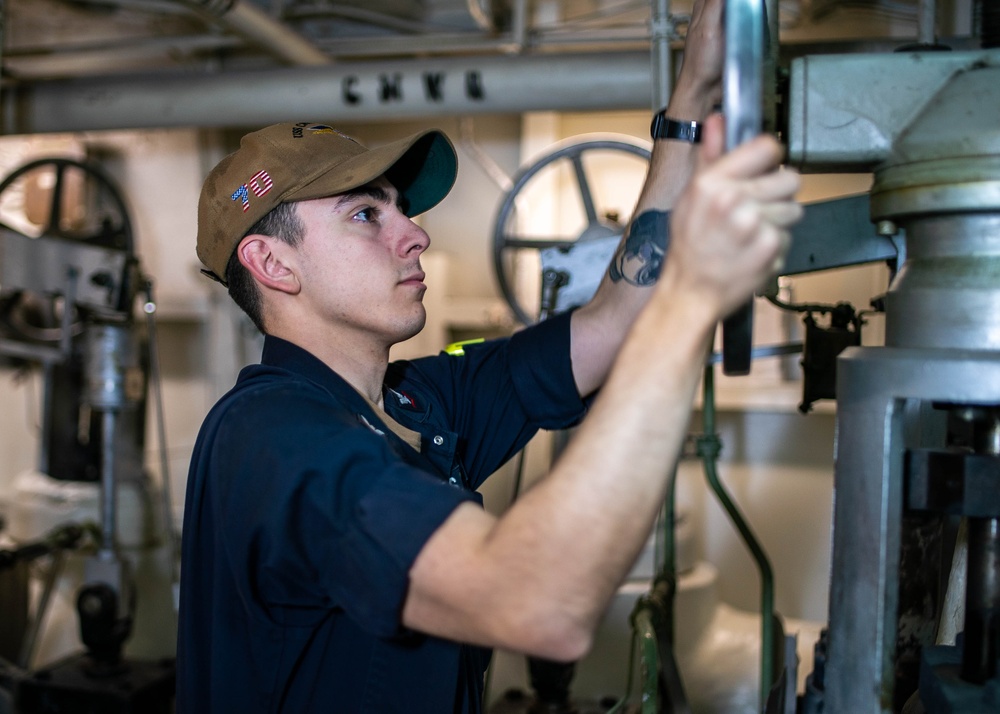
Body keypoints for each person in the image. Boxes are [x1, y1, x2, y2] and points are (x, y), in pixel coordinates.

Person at [176, 0, 802, 710]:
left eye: (402, 210)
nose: (415, 235)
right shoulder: (276, 442)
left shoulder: (415, 400)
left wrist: (691, 96)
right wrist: (692, 301)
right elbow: (540, 604)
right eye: (365, 215)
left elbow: (618, 319)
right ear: (273, 264)